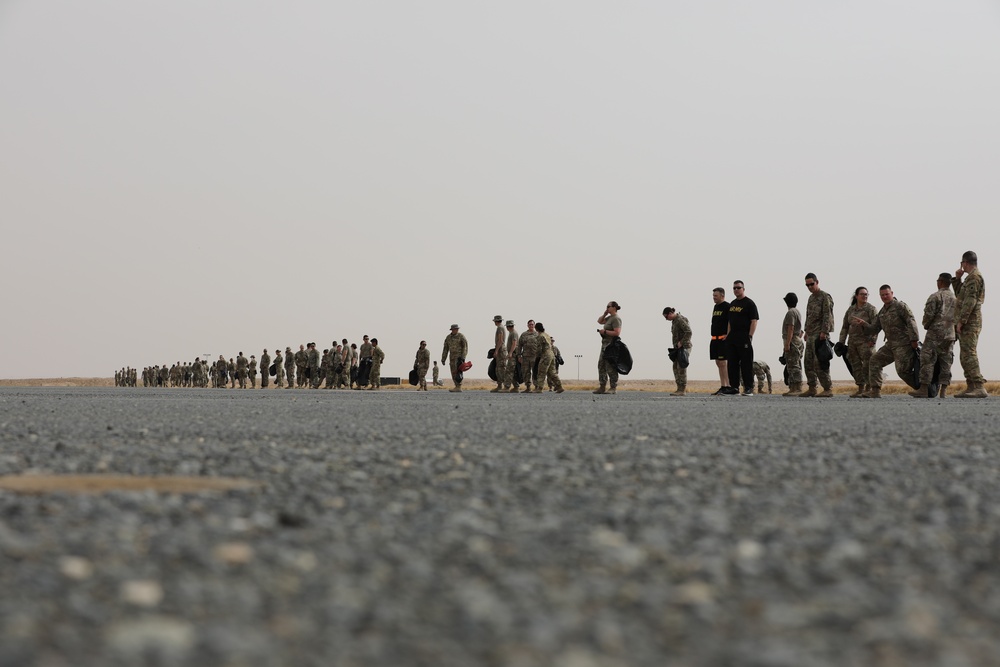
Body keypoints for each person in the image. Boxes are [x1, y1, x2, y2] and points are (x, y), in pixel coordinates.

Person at [854, 285, 920, 398]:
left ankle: (923, 388)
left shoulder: (900, 306)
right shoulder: (882, 311)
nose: (884, 296)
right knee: (874, 360)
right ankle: (875, 391)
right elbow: (874, 328)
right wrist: (864, 324)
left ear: (892, 293)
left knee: (902, 371)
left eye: (886, 294)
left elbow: (911, 321)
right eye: (882, 295)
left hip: (903, 344)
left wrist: (914, 339)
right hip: (890, 345)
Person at [910, 272, 957, 398]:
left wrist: (926, 325)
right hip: (950, 334)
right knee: (946, 362)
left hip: (935, 334)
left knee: (927, 359)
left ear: (940, 282)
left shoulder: (935, 296)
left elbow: (928, 316)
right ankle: (943, 391)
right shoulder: (955, 298)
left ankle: (924, 388)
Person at [952, 250, 988, 398]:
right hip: (967, 321)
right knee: (965, 354)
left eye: (962, 263)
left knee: (969, 354)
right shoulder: (969, 278)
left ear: (965, 263)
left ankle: (979, 386)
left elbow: (970, 301)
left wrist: (962, 320)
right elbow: (961, 296)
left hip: (971, 322)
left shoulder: (974, 278)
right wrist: (957, 280)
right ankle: (971, 386)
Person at [837, 287, 878, 398]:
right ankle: (860, 388)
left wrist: (872, 341)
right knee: (855, 366)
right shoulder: (850, 310)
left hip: (866, 343)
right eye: (862, 294)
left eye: (866, 294)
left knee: (867, 366)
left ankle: (869, 388)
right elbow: (845, 327)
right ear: (856, 296)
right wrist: (841, 342)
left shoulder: (871, 309)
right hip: (852, 343)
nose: (864, 296)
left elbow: (876, 326)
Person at [801, 273, 835, 398]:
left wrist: (824, 332)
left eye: (811, 284)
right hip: (811, 335)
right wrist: (806, 331)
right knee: (808, 362)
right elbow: (808, 315)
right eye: (807, 285)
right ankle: (812, 388)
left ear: (817, 282)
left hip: (820, 335)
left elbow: (828, 315)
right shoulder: (811, 298)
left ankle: (827, 388)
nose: (809, 287)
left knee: (820, 363)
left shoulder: (825, 296)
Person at [726, 281, 758, 396]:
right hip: (732, 338)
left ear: (743, 289)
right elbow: (730, 322)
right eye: (734, 288)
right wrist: (728, 335)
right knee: (732, 364)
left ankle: (748, 388)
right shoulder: (732, 304)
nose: (736, 290)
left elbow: (754, 321)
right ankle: (734, 387)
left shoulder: (749, 303)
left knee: (746, 364)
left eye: (738, 288)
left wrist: (750, 336)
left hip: (744, 338)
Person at [709, 288, 734, 395]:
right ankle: (723, 385)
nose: (714, 297)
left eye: (716, 295)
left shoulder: (727, 306)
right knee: (718, 363)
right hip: (715, 339)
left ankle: (728, 386)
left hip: (723, 339)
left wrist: (728, 334)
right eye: (713, 295)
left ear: (722, 296)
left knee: (723, 363)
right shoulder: (716, 307)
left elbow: (731, 321)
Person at [662, 307, 692, 396]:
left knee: (681, 366)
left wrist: (682, 342)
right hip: (677, 348)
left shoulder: (680, 320)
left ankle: (682, 389)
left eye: (666, 317)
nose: (666, 319)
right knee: (675, 366)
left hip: (685, 347)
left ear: (671, 313)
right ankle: (679, 388)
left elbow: (689, 332)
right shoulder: (674, 321)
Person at [595, 301, 622, 395]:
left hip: (611, 345)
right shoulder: (610, 317)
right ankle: (602, 386)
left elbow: (617, 332)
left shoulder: (616, 319)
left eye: (608, 306)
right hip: (604, 345)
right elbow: (599, 321)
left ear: (614, 307)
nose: (607, 308)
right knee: (601, 365)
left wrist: (605, 332)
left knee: (610, 366)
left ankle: (613, 387)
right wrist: (604, 314)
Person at [781, 292, 804, 396]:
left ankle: (796, 388)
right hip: (797, 339)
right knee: (795, 364)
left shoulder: (790, 313)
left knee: (793, 365)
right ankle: (794, 387)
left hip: (792, 340)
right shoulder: (797, 312)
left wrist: (787, 344)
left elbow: (791, 328)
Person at [533, 322, 564, 393]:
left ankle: (539, 388)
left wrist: (537, 356)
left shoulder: (540, 336)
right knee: (552, 372)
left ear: (536, 328)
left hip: (545, 355)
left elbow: (539, 349)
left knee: (541, 371)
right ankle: (559, 387)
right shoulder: (547, 335)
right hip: (551, 354)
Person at [442, 324, 469, 392]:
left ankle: (459, 386)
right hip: (452, 357)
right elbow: (445, 348)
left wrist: (463, 357)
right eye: (454, 329)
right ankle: (456, 386)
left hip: (459, 357)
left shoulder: (461, 336)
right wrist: (443, 358)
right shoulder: (448, 338)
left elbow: (465, 347)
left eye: (456, 329)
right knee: (453, 371)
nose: (455, 330)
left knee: (458, 371)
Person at [517, 320, 540, 393]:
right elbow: (519, 345)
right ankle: (528, 387)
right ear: (527, 325)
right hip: (525, 357)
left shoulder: (538, 334)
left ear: (534, 325)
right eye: (530, 324)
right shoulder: (524, 334)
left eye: (532, 324)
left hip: (535, 357)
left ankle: (537, 387)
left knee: (535, 372)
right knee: (526, 372)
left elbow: (541, 345)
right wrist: (519, 355)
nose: (531, 326)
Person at [490, 315, 507, 393]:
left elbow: (500, 340)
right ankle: (500, 385)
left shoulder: (500, 328)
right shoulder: (501, 327)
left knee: (501, 368)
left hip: (501, 350)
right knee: (498, 368)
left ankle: (503, 386)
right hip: (501, 349)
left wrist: (496, 350)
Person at [504, 320, 520, 392]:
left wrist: (510, 353)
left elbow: (514, 343)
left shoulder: (513, 333)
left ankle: (507, 387)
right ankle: (516, 387)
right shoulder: (512, 333)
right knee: (513, 371)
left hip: (513, 355)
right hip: (513, 354)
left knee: (509, 371)